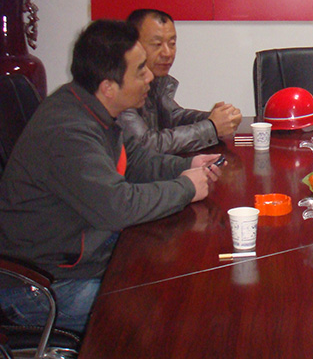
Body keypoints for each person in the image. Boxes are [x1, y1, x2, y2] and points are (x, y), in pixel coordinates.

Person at [0, 20, 222, 332]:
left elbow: (135, 160)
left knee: (177, 267)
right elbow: (118, 207)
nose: (149, 77)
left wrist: (185, 165)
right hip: (42, 285)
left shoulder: (90, 105)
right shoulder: (68, 131)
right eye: (140, 70)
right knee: (165, 308)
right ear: (108, 87)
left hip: (85, 253)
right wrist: (186, 187)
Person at [118, 9, 242, 154]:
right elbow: (147, 145)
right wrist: (211, 127)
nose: (167, 53)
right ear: (133, 45)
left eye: (172, 43)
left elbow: (173, 116)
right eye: (157, 44)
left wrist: (214, 117)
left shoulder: (156, 80)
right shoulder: (120, 87)